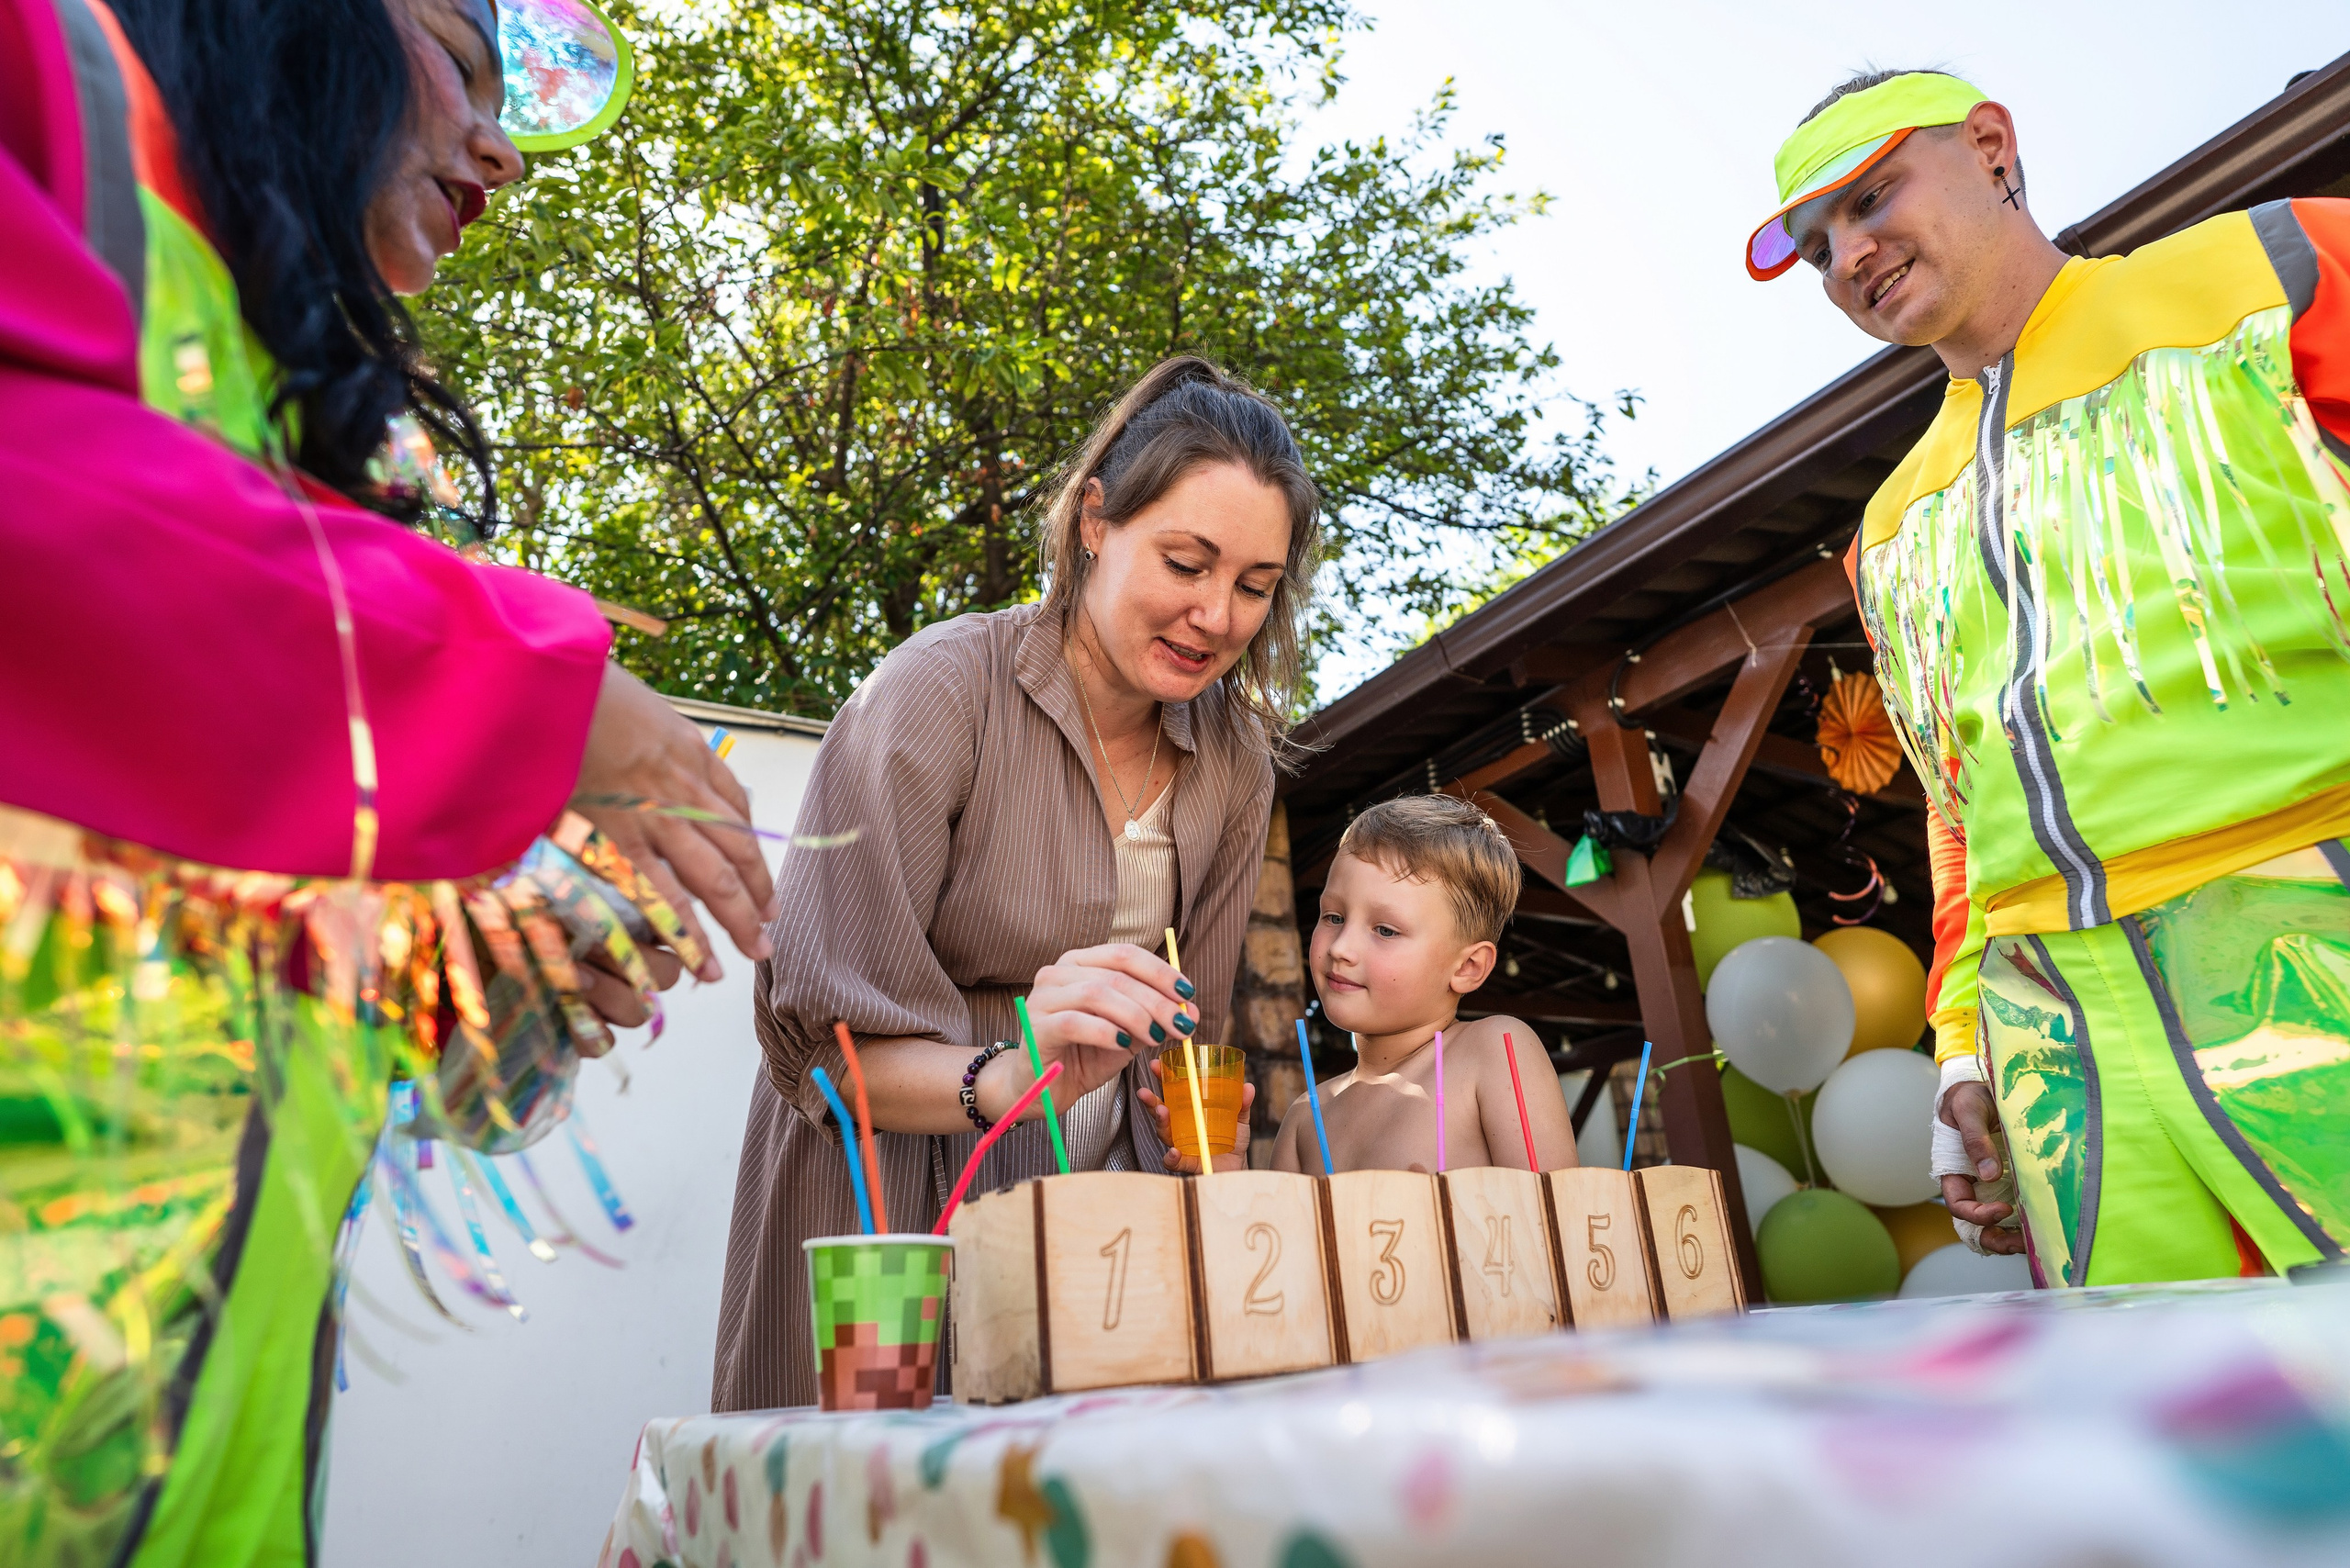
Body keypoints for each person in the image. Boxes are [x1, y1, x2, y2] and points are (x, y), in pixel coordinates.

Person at [1, 0, 774, 1562]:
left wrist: (464, 988)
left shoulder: (277, 410)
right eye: (455, 57)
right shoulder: (40, 70)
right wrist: (538, 690)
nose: (498, 148)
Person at [1750, 69, 2350, 1285]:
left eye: (1872, 198)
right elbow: (1959, 812)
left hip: (2314, 935)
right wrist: (1966, 1050)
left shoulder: (2277, 267)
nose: (1852, 254)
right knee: (2186, 1444)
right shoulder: (1889, 527)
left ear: (1989, 145)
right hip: (2054, 1043)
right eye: (1821, 248)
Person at [711, 354, 1318, 1410]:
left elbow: (1192, 1037)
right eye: (1187, 562)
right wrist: (1009, 1068)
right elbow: (820, 1059)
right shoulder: (936, 692)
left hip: (1101, 1244)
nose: (1218, 615)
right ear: (1095, 521)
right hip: (895, 1219)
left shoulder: (1235, 763)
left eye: (1255, 587)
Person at [1225, 795, 1574, 1177]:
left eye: (1385, 930)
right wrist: (1226, 1177)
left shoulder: (1496, 1051)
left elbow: (1556, 1219)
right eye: (1334, 917)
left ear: (1469, 967)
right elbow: (1287, 1238)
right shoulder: (1306, 1120)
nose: (1341, 948)